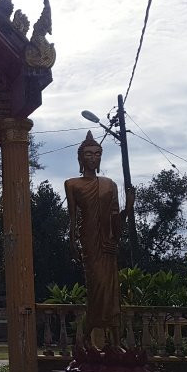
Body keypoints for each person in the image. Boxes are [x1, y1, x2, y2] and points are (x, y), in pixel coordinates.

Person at [64, 131, 134, 349]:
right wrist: (72, 242)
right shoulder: (72, 184)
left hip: (108, 241)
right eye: (88, 154)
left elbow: (115, 217)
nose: (93, 158)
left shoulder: (109, 184)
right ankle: (87, 336)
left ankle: (115, 341)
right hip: (89, 241)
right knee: (96, 287)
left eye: (97, 153)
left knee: (112, 289)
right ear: (81, 158)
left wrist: (129, 208)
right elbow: (73, 218)